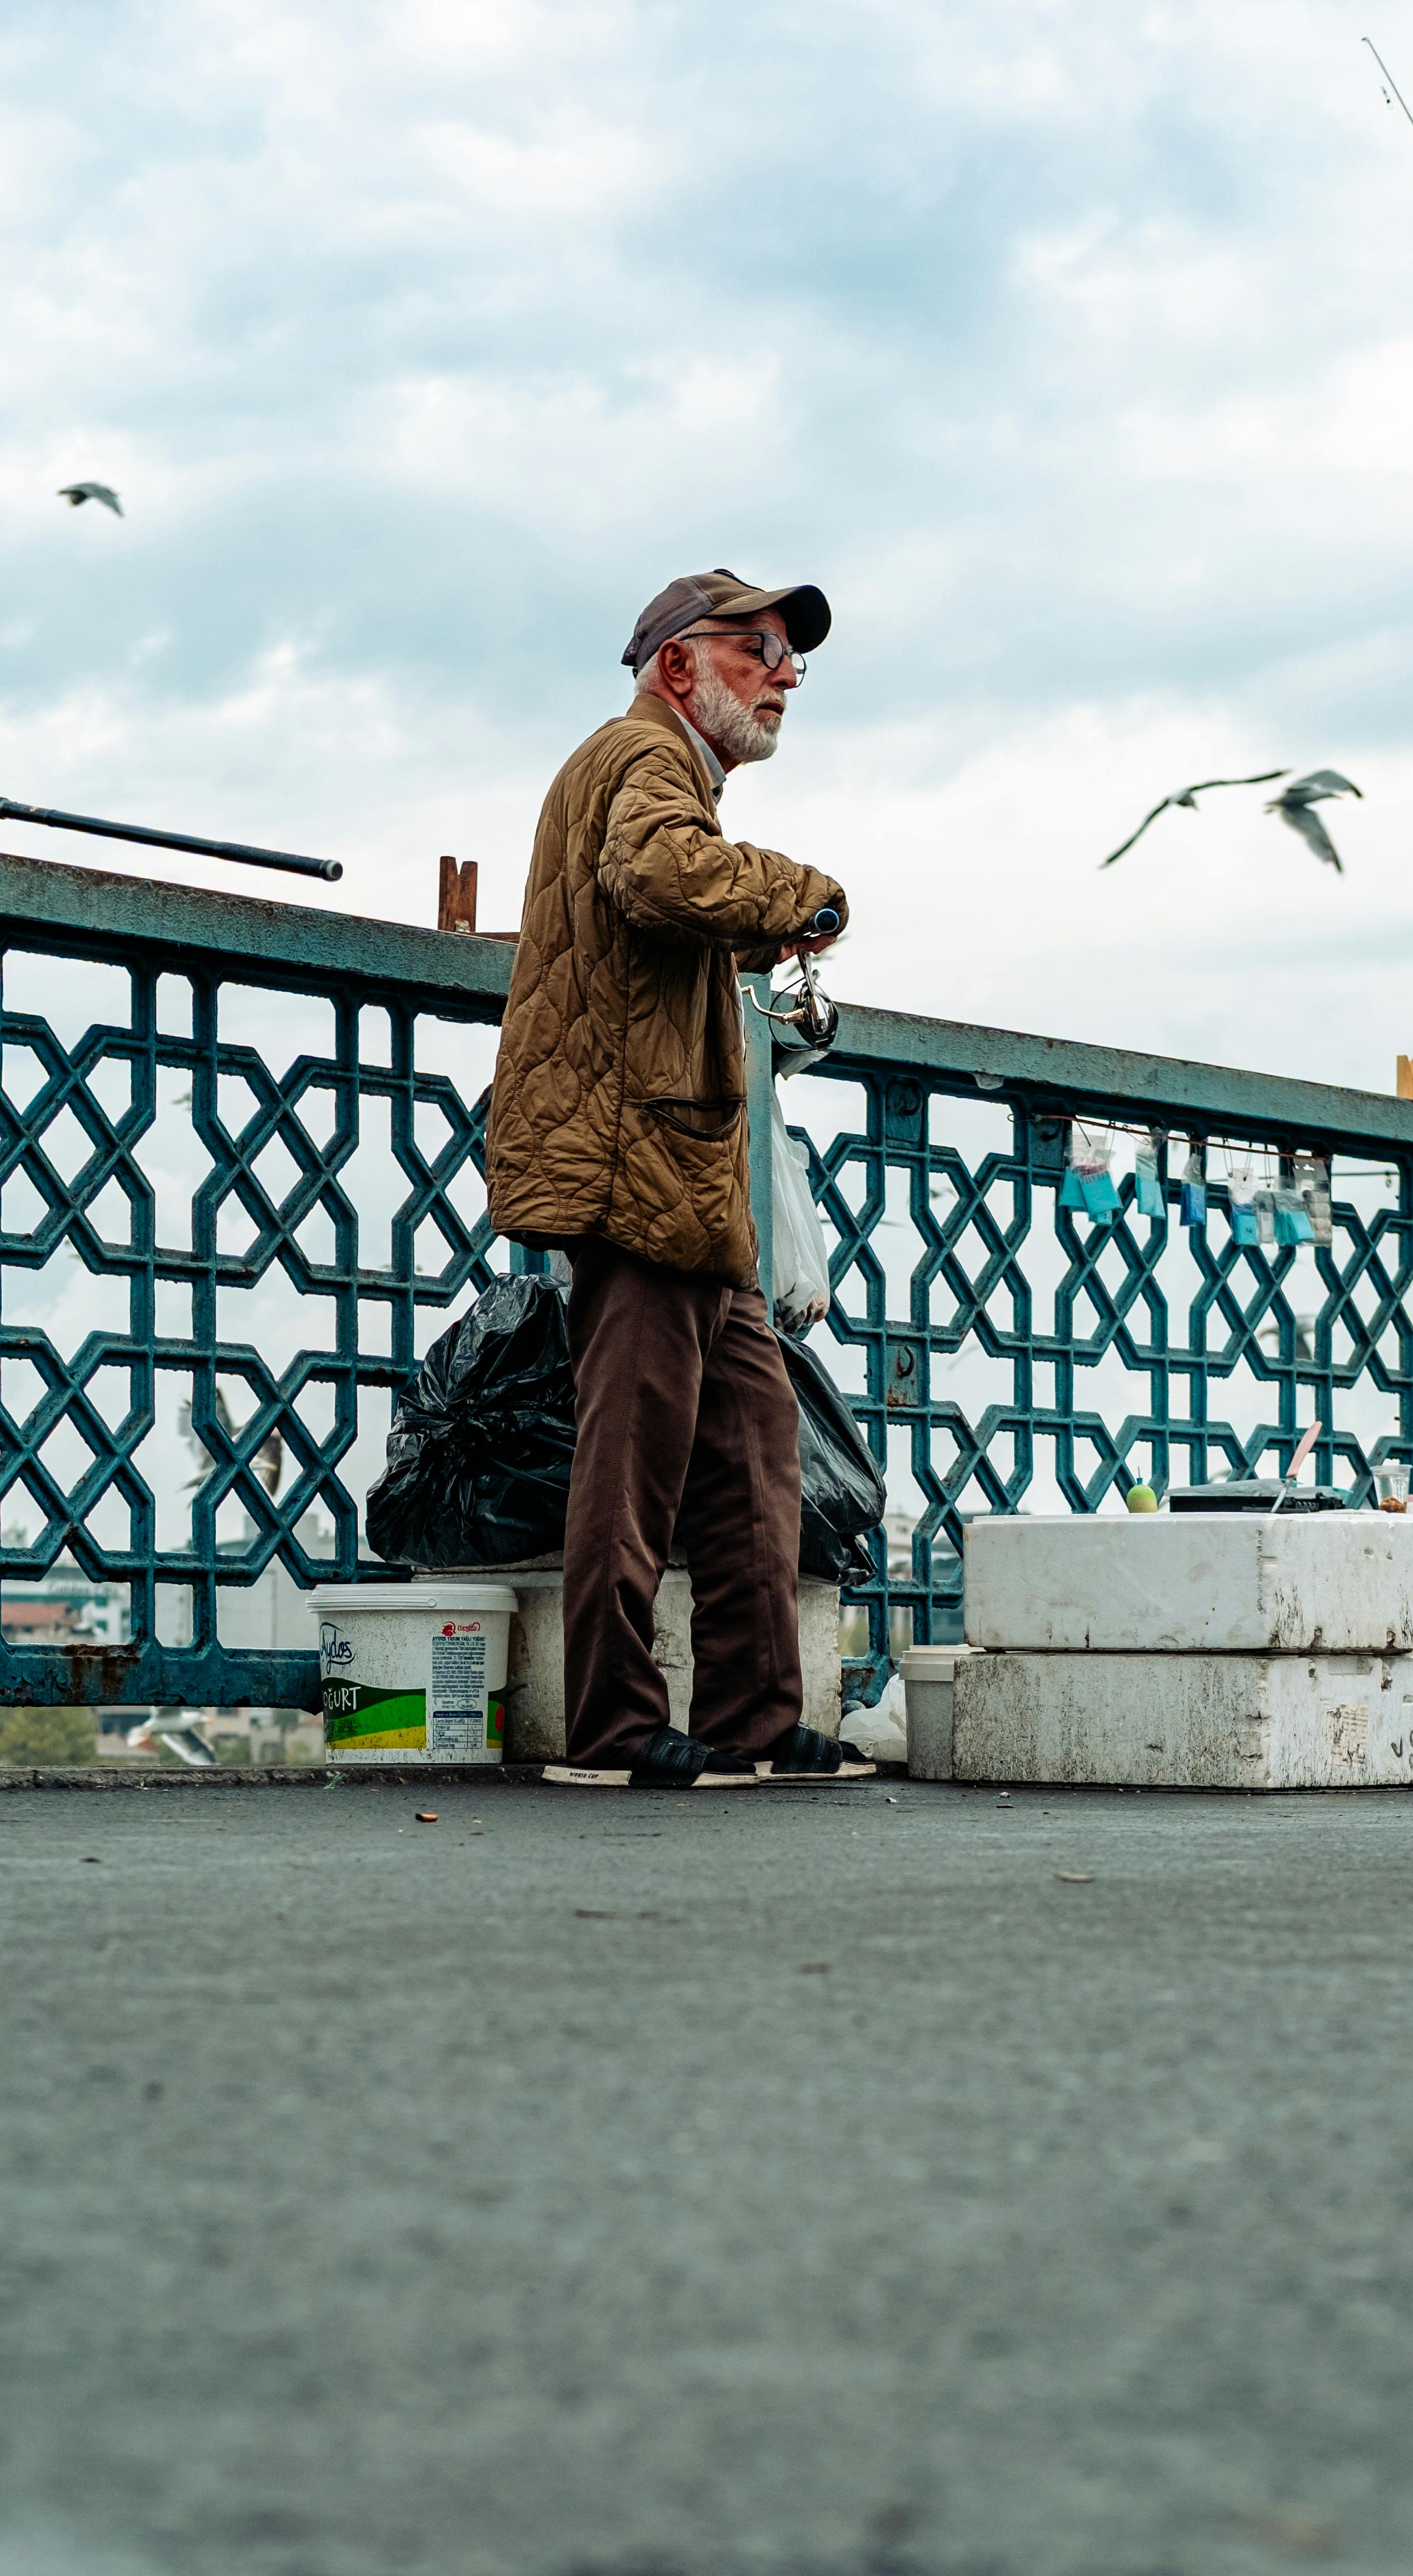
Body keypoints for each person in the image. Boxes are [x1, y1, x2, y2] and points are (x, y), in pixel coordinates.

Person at [487, 566, 872, 1791]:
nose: (786, 674)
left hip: (686, 1177)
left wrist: (762, 926)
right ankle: (610, 1731)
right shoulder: (642, 760)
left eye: (792, 655)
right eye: (758, 648)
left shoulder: (664, 776)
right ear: (677, 665)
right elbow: (653, 876)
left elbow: (652, 908)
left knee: (754, 1440)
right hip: (631, 1162)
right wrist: (806, 896)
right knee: (635, 1460)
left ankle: (756, 1720)